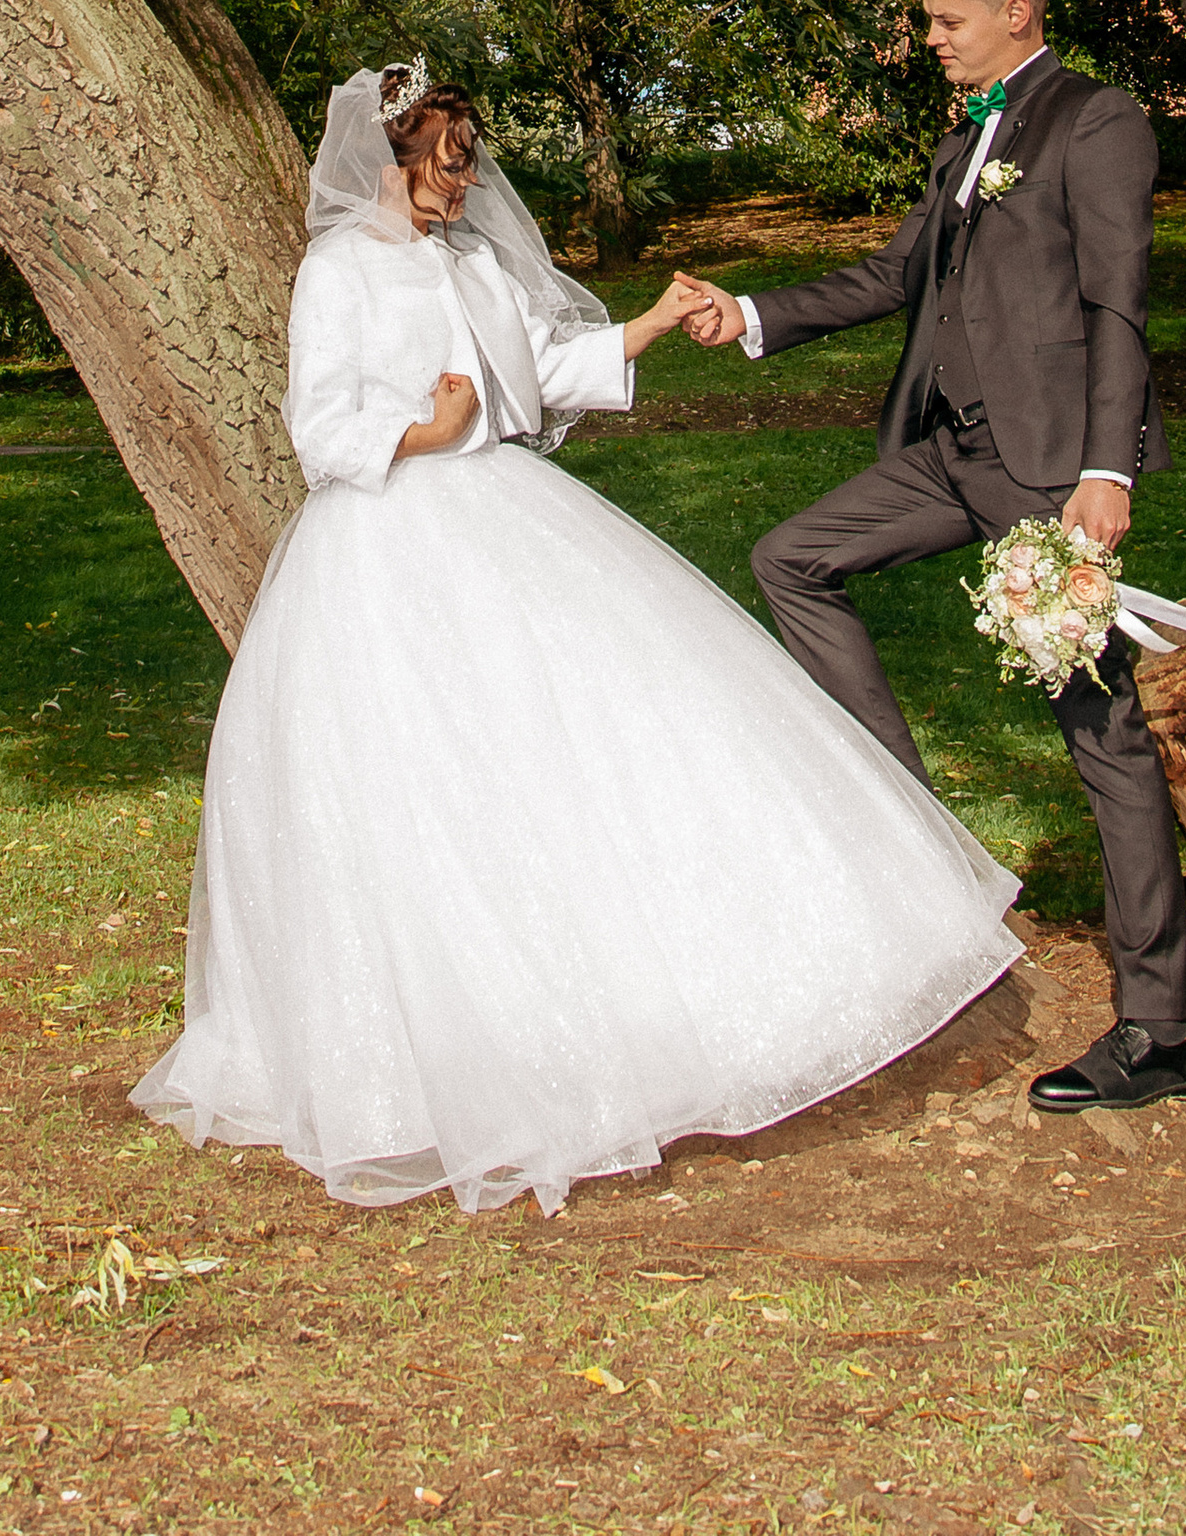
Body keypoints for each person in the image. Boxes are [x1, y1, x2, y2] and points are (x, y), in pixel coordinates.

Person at [133, 58, 1024, 1215]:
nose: (461, 184)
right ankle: (449, 1052)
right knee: (433, 782)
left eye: (466, 162)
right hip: (388, 550)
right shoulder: (338, 269)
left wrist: (649, 323)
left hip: (508, 520)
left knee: (608, 738)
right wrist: (420, 430)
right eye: (443, 164)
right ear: (389, 157)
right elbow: (317, 424)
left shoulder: (470, 261)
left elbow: (543, 368)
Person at [678, 0, 1186, 1115]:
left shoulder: (1096, 120)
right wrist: (751, 315)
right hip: (946, 451)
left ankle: (1159, 1029)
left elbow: (1119, 303)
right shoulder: (966, 133)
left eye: (944, 21)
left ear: (1015, 14)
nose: (928, 40)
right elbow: (895, 275)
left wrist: (1104, 471)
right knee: (793, 556)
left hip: (1045, 471)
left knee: (1099, 726)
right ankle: (915, 833)